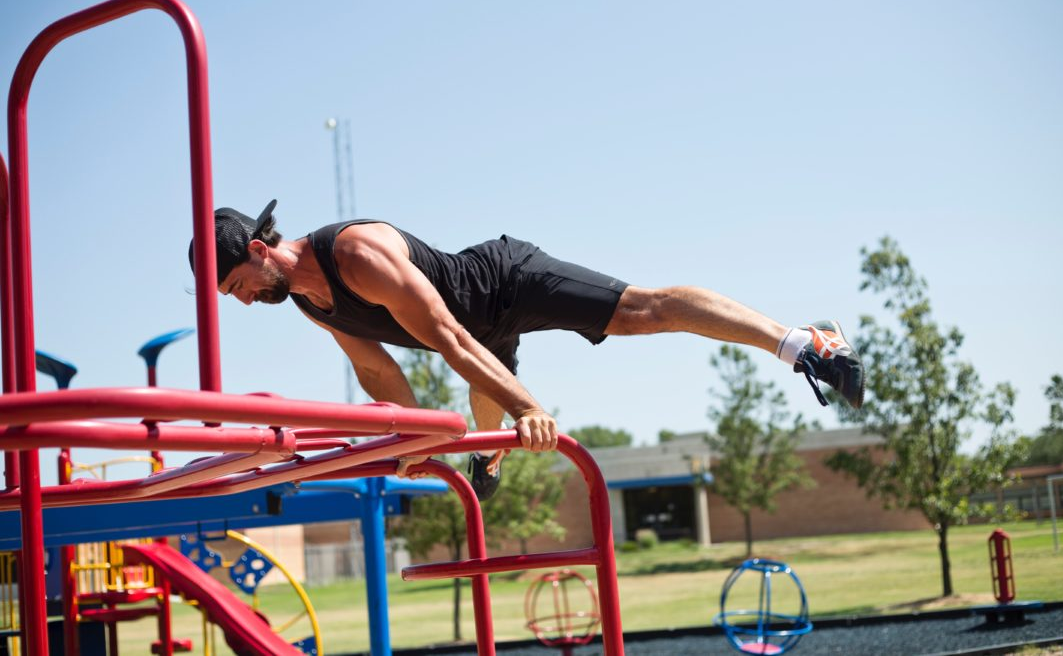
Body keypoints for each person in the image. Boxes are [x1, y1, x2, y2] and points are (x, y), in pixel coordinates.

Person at [189, 200, 864, 500]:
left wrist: (528, 409)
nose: (243, 300)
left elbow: (449, 337)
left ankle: (804, 342)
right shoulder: (307, 300)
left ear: (259, 250)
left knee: (644, 312)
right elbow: (374, 366)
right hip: (475, 339)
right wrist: (414, 440)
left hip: (505, 283)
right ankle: (486, 460)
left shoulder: (354, 253)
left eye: (238, 285)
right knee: (479, 399)